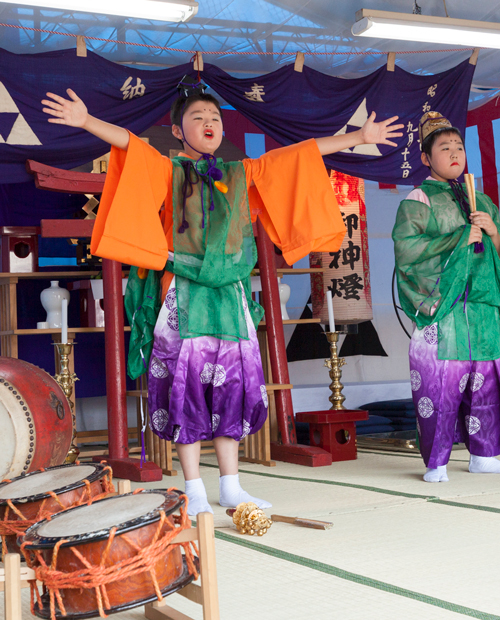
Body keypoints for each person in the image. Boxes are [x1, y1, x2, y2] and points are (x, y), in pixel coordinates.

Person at [43, 82, 403, 513]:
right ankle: (194, 489)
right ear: (178, 131)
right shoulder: (169, 170)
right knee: (187, 387)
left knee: (233, 386)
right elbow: (131, 146)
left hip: (230, 292)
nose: (209, 124)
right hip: (186, 290)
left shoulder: (241, 173)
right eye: (198, 118)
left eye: (215, 118)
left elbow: (300, 155)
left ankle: (231, 485)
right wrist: (85, 121)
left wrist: (358, 138)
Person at [393, 111, 500, 483]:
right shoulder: (418, 199)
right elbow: (407, 250)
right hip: (445, 307)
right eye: (445, 148)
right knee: (439, 386)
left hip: (483, 309)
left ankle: (485, 451)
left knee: (486, 383)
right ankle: (436, 459)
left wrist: (492, 233)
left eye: (459, 147)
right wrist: (458, 239)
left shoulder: (483, 200)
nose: (455, 153)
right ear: (426, 158)